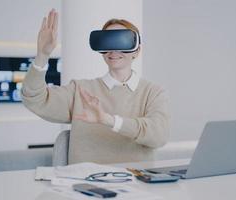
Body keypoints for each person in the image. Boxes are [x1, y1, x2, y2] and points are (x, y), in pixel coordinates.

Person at [21, 9, 170, 164]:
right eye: (107, 43)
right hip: (86, 184)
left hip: (137, 183)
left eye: (121, 42)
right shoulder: (80, 91)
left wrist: (109, 121)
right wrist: (42, 56)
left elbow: (159, 135)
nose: (113, 50)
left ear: (136, 50)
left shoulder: (153, 93)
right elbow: (35, 99)